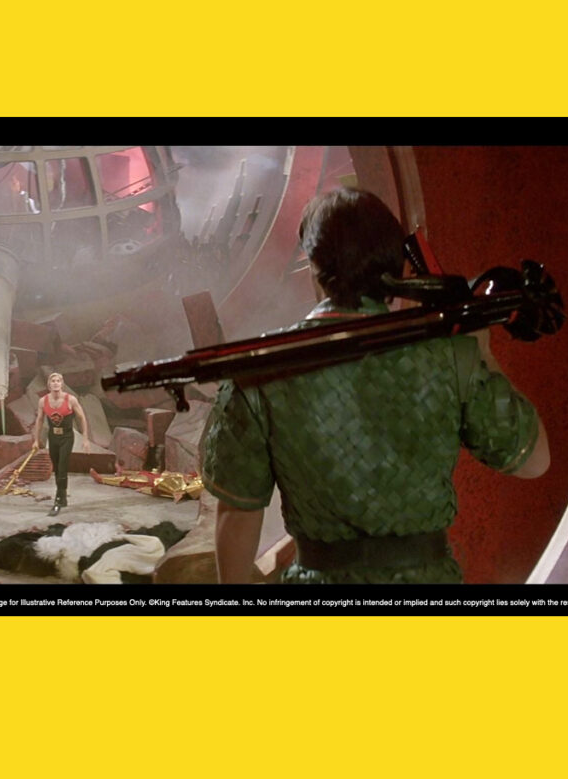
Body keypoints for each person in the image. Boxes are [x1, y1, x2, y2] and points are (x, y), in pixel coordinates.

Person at [202, 187, 550, 584]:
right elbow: (534, 461)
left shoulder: (262, 370)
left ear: (314, 267)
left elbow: (238, 515)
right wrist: (482, 351)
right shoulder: (450, 357)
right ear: (397, 269)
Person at [31, 372, 91, 516]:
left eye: (58, 381)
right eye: (53, 381)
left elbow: (82, 418)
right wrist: (36, 440)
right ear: (49, 385)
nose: (56, 383)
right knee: (57, 469)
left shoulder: (70, 399)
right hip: (53, 437)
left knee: (63, 467)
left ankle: (58, 500)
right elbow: (39, 420)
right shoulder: (43, 401)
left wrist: (85, 439)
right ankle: (63, 497)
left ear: (62, 384)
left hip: (66, 437)